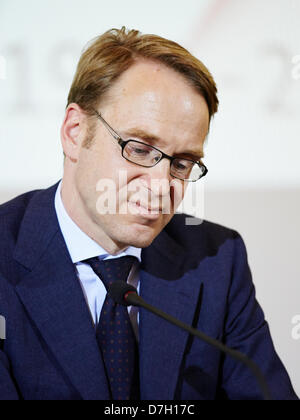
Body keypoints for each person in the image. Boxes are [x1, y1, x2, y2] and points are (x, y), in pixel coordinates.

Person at [0, 27, 298, 401]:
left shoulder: (218, 259)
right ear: (75, 132)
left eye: (183, 162)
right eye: (140, 149)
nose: (162, 185)